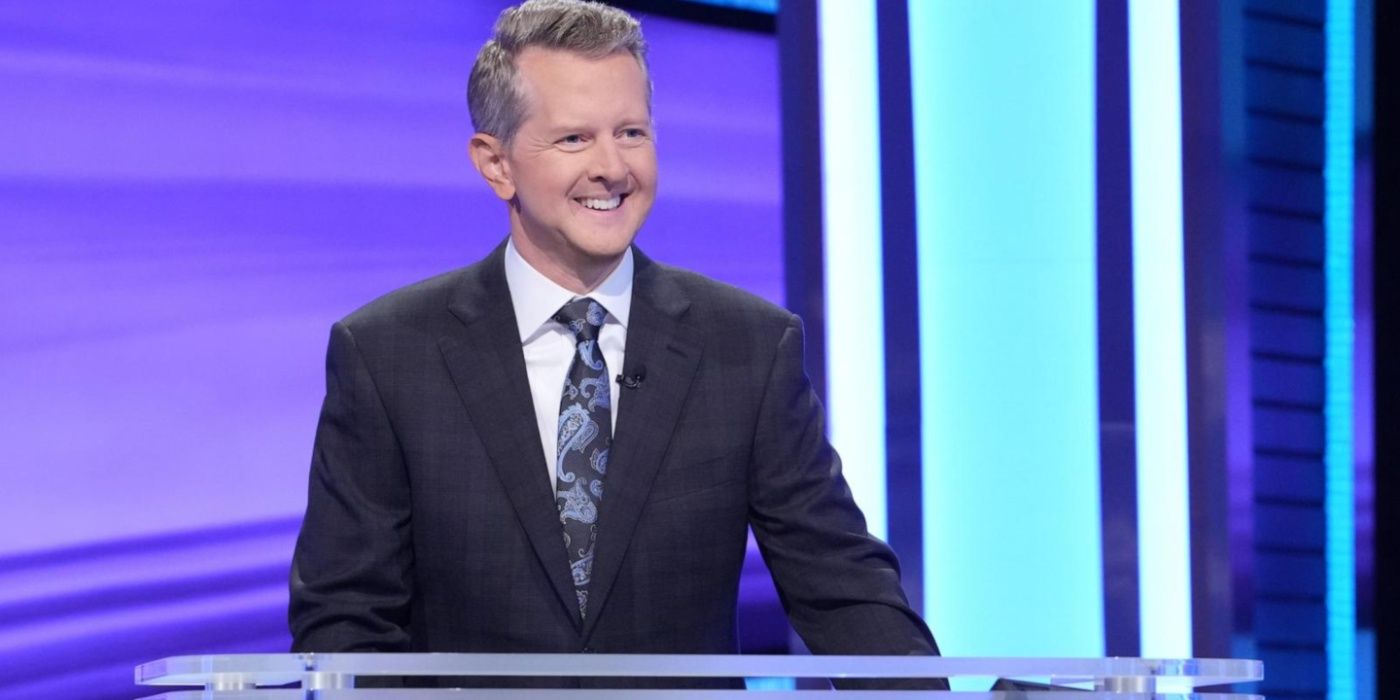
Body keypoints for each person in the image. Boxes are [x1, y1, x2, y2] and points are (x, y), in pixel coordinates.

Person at [288, 0, 941, 689]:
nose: (612, 167)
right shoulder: (390, 354)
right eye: (573, 140)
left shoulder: (746, 347)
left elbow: (842, 588)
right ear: (496, 163)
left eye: (631, 132)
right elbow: (346, 622)